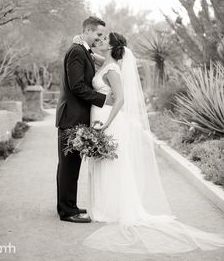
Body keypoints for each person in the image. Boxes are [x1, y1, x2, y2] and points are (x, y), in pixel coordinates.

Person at [74, 31, 224, 253]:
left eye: (105, 40)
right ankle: (102, 207)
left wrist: (106, 124)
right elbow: (96, 58)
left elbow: (122, 99)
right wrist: (83, 46)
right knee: (101, 161)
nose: (100, 41)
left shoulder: (113, 69)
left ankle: (112, 209)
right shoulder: (106, 62)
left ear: (112, 47)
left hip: (108, 121)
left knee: (110, 162)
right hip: (99, 118)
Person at [55, 16, 113, 223]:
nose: (100, 39)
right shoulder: (77, 52)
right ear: (87, 31)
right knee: (68, 166)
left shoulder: (83, 50)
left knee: (69, 165)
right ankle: (67, 211)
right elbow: (77, 86)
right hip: (71, 116)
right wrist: (104, 99)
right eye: (98, 34)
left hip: (75, 116)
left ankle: (67, 204)